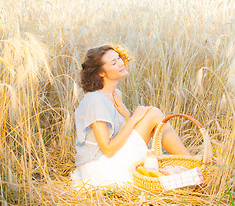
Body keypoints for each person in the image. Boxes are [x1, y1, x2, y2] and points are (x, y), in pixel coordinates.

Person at [71, 44, 189, 186]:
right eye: (113, 63)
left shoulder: (115, 95)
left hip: (113, 158)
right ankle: (191, 163)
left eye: (118, 58)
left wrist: (127, 116)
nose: (120, 63)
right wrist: (133, 120)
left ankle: (189, 162)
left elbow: (123, 136)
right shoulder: (95, 100)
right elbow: (107, 149)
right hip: (99, 169)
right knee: (153, 114)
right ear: (101, 73)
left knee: (153, 114)